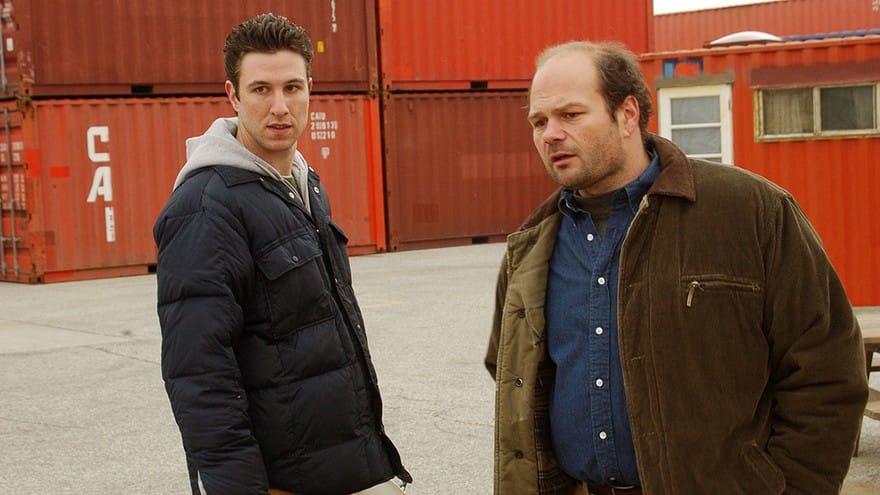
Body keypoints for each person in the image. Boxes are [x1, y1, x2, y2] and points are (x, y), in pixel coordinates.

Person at [484, 40, 867, 495]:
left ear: (628, 114)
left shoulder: (751, 211)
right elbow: (512, 375)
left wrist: (793, 487)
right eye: (539, 121)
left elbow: (827, 368)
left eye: (570, 114)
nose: (550, 134)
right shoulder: (531, 246)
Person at [153, 14, 410, 495]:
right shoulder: (206, 206)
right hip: (277, 480)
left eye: (292, 88)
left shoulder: (302, 185)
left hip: (341, 467)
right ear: (232, 95)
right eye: (260, 89)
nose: (279, 107)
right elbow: (200, 374)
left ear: (311, 89)